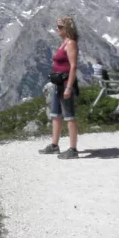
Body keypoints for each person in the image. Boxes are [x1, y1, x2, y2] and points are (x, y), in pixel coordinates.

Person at [39, 16, 80, 159]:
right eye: (57, 26)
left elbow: (73, 66)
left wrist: (69, 87)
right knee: (56, 115)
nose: (57, 28)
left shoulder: (71, 43)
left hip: (65, 84)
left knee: (69, 116)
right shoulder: (63, 43)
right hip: (57, 84)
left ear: (68, 28)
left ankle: (73, 149)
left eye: (60, 26)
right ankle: (54, 145)